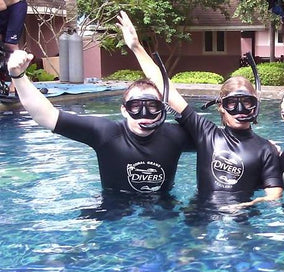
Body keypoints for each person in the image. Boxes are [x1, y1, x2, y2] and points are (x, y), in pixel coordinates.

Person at [117, 11, 283, 212]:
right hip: (199, 217)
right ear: (221, 105)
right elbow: (167, 90)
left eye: (246, 102)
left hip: (240, 218)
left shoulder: (266, 149)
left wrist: (246, 206)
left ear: (256, 104)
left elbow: (273, 195)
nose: (240, 110)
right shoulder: (206, 133)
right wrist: (136, 47)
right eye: (232, 103)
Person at [7, 50, 194, 194]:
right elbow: (46, 116)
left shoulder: (175, 136)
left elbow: (217, 139)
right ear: (124, 110)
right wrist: (18, 76)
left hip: (163, 207)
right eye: (135, 106)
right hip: (112, 207)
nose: (144, 113)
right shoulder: (106, 133)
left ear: (162, 108)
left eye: (152, 106)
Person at [0, 0, 27, 94]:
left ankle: (16, 82)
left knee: (10, 45)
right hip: (3, 10)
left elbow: (2, 5)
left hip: (16, 6)